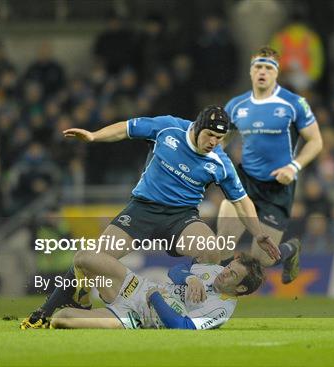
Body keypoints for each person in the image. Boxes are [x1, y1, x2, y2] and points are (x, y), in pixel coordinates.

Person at [21, 105, 279, 329]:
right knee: (93, 258)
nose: (213, 142)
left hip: (181, 217)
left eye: (220, 138)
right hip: (142, 209)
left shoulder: (220, 162)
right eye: (210, 135)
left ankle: (190, 306)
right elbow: (126, 128)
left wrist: (257, 232)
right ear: (197, 127)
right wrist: (93, 136)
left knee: (210, 247)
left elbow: (241, 200)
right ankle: (52, 309)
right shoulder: (169, 128)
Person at [217, 46, 323, 284]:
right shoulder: (236, 105)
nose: (262, 71)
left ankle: (290, 249)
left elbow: (316, 141)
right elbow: (221, 140)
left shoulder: (294, 103)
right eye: (258, 67)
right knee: (221, 244)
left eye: (268, 67)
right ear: (250, 71)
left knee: (262, 259)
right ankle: (214, 301)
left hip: (277, 188)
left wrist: (293, 167)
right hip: (244, 183)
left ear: (276, 73)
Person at [50, 252, 263, 330]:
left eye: (232, 275)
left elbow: (182, 326)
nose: (224, 273)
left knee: (61, 318)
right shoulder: (216, 271)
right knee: (84, 258)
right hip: (135, 286)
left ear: (241, 288)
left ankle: (81, 310)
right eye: (228, 268)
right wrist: (189, 278)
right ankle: (84, 301)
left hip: (134, 318)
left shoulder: (220, 311)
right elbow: (176, 270)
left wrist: (156, 298)